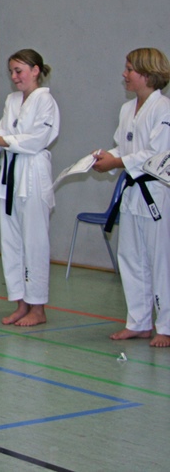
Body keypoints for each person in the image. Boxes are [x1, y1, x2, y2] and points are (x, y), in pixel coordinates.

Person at [0, 49, 60, 327]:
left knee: (35, 243)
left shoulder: (45, 101)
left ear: (35, 70)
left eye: (19, 70)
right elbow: (2, 134)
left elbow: (37, 139)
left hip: (33, 174)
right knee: (11, 243)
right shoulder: (12, 100)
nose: (14, 76)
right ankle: (21, 303)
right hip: (10, 177)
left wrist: (2, 140)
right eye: (11, 71)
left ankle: (38, 308)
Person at [93, 47, 170, 348]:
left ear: (147, 74)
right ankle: (138, 323)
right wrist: (105, 157)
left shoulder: (163, 108)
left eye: (129, 69)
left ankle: (166, 326)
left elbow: (156, 153)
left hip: (156, 192)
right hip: (132, 192)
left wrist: (117, 161)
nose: (124, 74)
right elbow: (121, 147)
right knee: (131, 257)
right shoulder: (127, 109)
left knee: (160, 260)